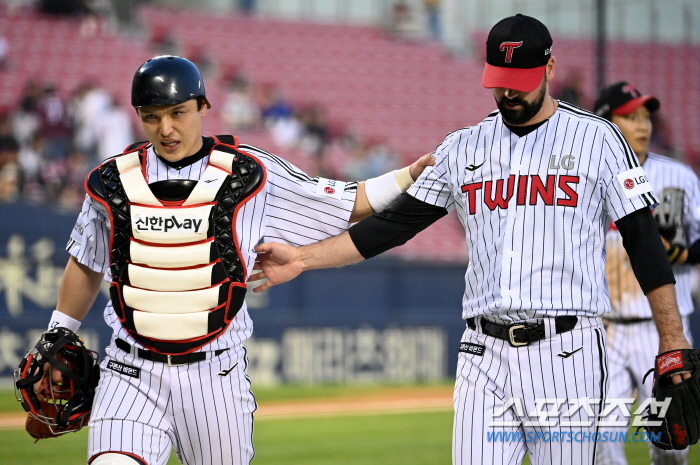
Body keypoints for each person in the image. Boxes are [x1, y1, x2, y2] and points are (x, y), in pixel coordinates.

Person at [251, 14, 693, 465]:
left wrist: (673, 340)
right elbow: (389, 227)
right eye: (500, 80)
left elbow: (643, 242)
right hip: (483, 353)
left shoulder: (598, 139)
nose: (508, 92)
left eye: (520, 80)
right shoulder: (462, 148)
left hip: (568, 351)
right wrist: (303, 258)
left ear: (550, 68)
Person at [36, 55, 434, 465]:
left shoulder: (251, 173)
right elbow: (86, 262)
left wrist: (408, 175)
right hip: (129, 372)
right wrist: (56, 336)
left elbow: (351, 202)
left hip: (216, 378)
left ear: (203, 107)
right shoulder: (112, 181)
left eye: (178, 113)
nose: (166, 128)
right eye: (151, 116)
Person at [594, 82, 700, 465]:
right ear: (605, 121)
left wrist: (684, 251)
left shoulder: (679, 177)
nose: (643, 126)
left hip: (659, 329)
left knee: (671, 441)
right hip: (604, 330)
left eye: (646, 117)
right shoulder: (588, 179)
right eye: (631, 117)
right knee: (601, 440)